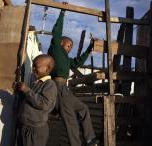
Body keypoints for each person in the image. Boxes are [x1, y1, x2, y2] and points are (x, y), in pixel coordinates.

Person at [48, 9, 99, 146]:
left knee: (83, 109)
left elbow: (79, 62)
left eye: (71, 46)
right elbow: (57, 32)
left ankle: (89, 139)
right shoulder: (55, 49)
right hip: (57, 86)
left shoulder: (67, 59)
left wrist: (90, 47)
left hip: (65, 88)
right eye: (68, 44)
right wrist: (62, 13)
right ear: (60, 43)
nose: (69, 48)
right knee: (70, 120)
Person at [16, 54, 57, 146]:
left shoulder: (50, 85)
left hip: (34, 130)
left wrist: (26, 90)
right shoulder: (36, 83)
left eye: (36, 66)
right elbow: (30, 100)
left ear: (47, 69)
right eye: (33, 66)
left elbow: (43, 103)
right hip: (26, 126)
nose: (33, 69)